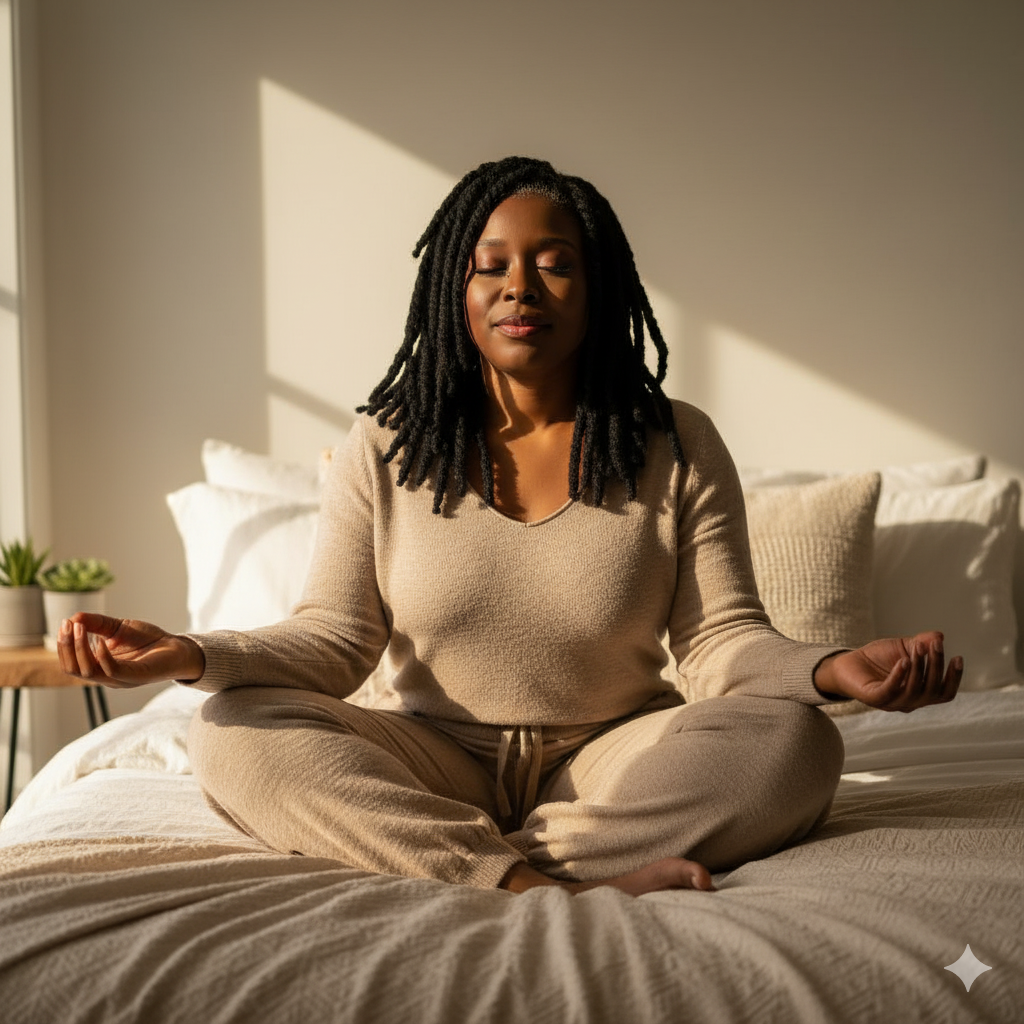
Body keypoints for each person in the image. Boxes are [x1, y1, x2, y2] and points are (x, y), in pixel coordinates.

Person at [58, 156, 963, 896]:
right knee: (232, 728)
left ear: (596, 284)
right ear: (455, 287)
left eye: (554, 262)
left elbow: (722, 644)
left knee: (797, 743)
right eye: (491, 264)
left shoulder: (674, 441)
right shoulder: (387, 443)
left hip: (612, 759)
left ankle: (473, 860)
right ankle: (527, 878)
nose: (519, 286)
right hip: (429, 752)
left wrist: (828, 669)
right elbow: (335, 642)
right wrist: (187, 651)